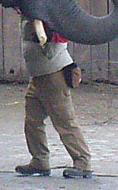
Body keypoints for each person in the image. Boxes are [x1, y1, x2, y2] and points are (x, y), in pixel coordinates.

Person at [15, 19, 92, 179]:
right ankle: (40, 161)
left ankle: (82, 162)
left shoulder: (54, 15)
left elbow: (56, 43)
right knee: (32, 121)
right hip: (37, 77)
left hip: (54, 75)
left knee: (64, 121)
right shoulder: (31, 16)